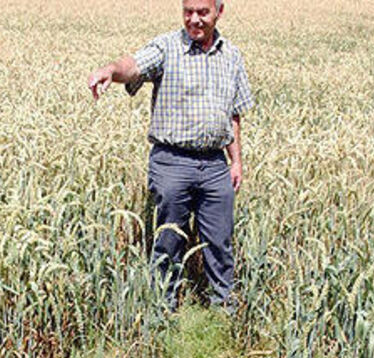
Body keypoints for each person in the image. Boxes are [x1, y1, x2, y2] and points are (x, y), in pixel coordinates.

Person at [87, 0, 254, 312]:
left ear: (219, 11)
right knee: (168, 242)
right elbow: (134, 65)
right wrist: (111, 70)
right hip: (171, 163)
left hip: (216, 164)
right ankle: (163, 312)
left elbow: (233, 114)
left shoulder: (231, 55)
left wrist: (237, 161)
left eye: (202, 12)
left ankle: (224, 313)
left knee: (220, 242)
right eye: (188, 11)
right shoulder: (167, 47)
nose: (194, 19)